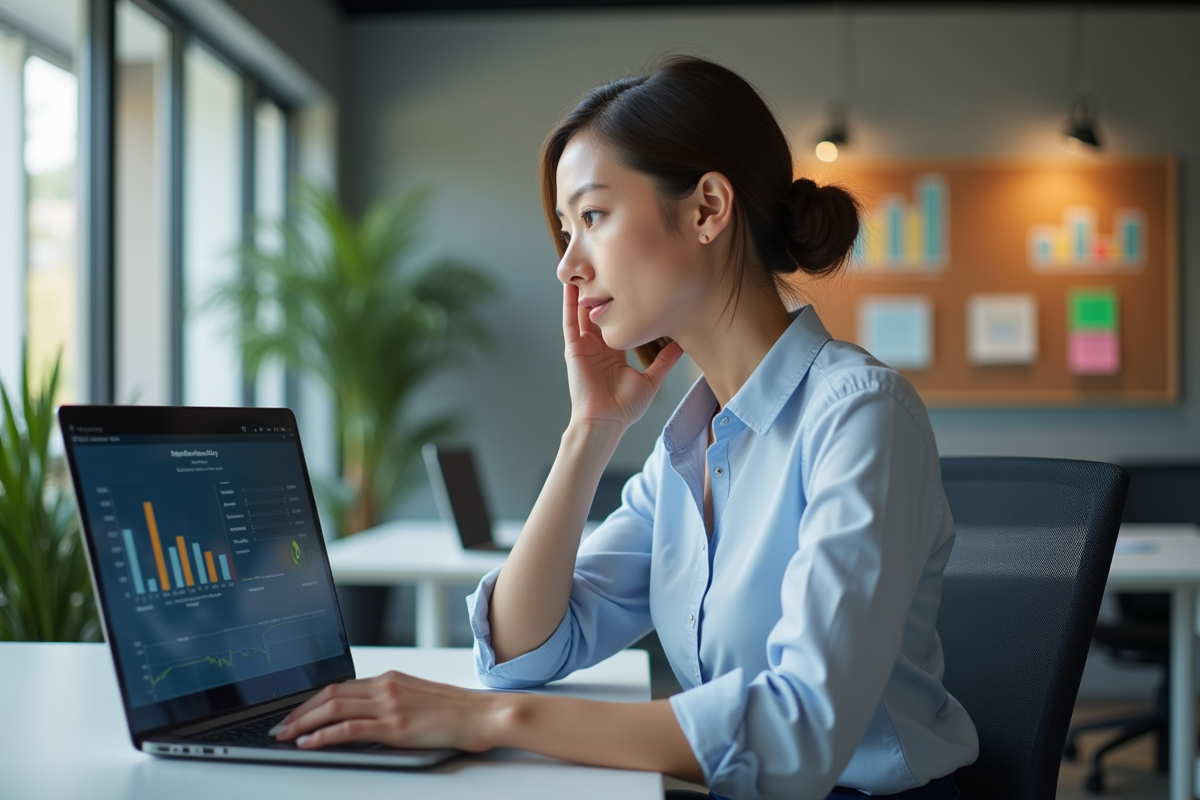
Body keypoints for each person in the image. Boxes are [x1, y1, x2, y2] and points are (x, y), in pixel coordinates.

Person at [273, 55, 978, 800]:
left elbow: (799, 730)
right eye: (565, 229)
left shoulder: (861, 415)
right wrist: (590, 431)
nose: (567, 265)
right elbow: (521, 650)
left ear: (707, 208)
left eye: (593, 216)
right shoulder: (687, 450)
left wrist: (490, 720)